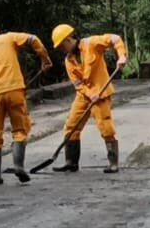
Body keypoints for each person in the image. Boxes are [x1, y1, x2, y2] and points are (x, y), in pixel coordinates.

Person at [0, 23, 52, 185]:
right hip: (14, 91)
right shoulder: (7, 38)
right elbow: (33, 39)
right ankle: (18, 165)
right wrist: (45, 59)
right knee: (20, 130)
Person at [50, 24, 129, 174]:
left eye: (61, 46)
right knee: (71, 126)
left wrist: (122, 55)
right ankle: (71, 162)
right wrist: (89, 93)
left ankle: (113, 163)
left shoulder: (91, 43)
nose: (61, 49)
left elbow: (115, 38)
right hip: (84, 95)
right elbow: (77, 84)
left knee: (106, 128)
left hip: (101, 93)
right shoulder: (69, 61)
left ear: (68, 40)